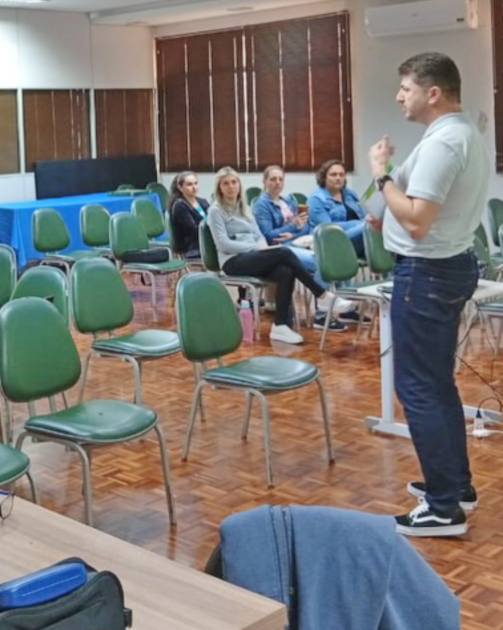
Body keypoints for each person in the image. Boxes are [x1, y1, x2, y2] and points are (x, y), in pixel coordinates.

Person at [368, 53, 488, 537]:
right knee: (437, 385)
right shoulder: (457, 135)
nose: (399, 96)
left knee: (418, 388)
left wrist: (381, 174)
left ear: (432, 92)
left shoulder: (445, 142)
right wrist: (388, 211)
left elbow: (417, 221)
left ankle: (442, 508)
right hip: (443, 267)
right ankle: (454, 486)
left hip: (427, 273)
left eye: (405, 88)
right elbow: (412, 211)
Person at [207, 167, 354, 345]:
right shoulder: (215, 211)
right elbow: (224, 244)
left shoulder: (244, 208)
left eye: (234, 182)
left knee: (285, 271)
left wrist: (261, 247)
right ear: (219, 187)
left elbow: (259, 235)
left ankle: (280, 326)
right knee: (285, 252)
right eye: (226, 183)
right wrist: (255, 248)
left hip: (251, 255)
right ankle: (322, 295)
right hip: (232, 261)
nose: (231, 187)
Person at [307, 159, 367, 257]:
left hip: (357, 237)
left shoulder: (350, 194)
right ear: (324, 177)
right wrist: (358, 224)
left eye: (341, 174)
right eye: (333, 175)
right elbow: (328, 229)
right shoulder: (316, 199)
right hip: (331, 242)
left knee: (381, 229)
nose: (338, 178)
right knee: (368, 227)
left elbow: (363, 216)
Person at [167, 170, 209, 259]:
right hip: (193, 246)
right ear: (180, 187)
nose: (194, 187)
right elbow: (194, 231)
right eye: (189, 184)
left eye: (196, 183)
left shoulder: (203, 202)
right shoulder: (179, 206)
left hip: (208, 241)